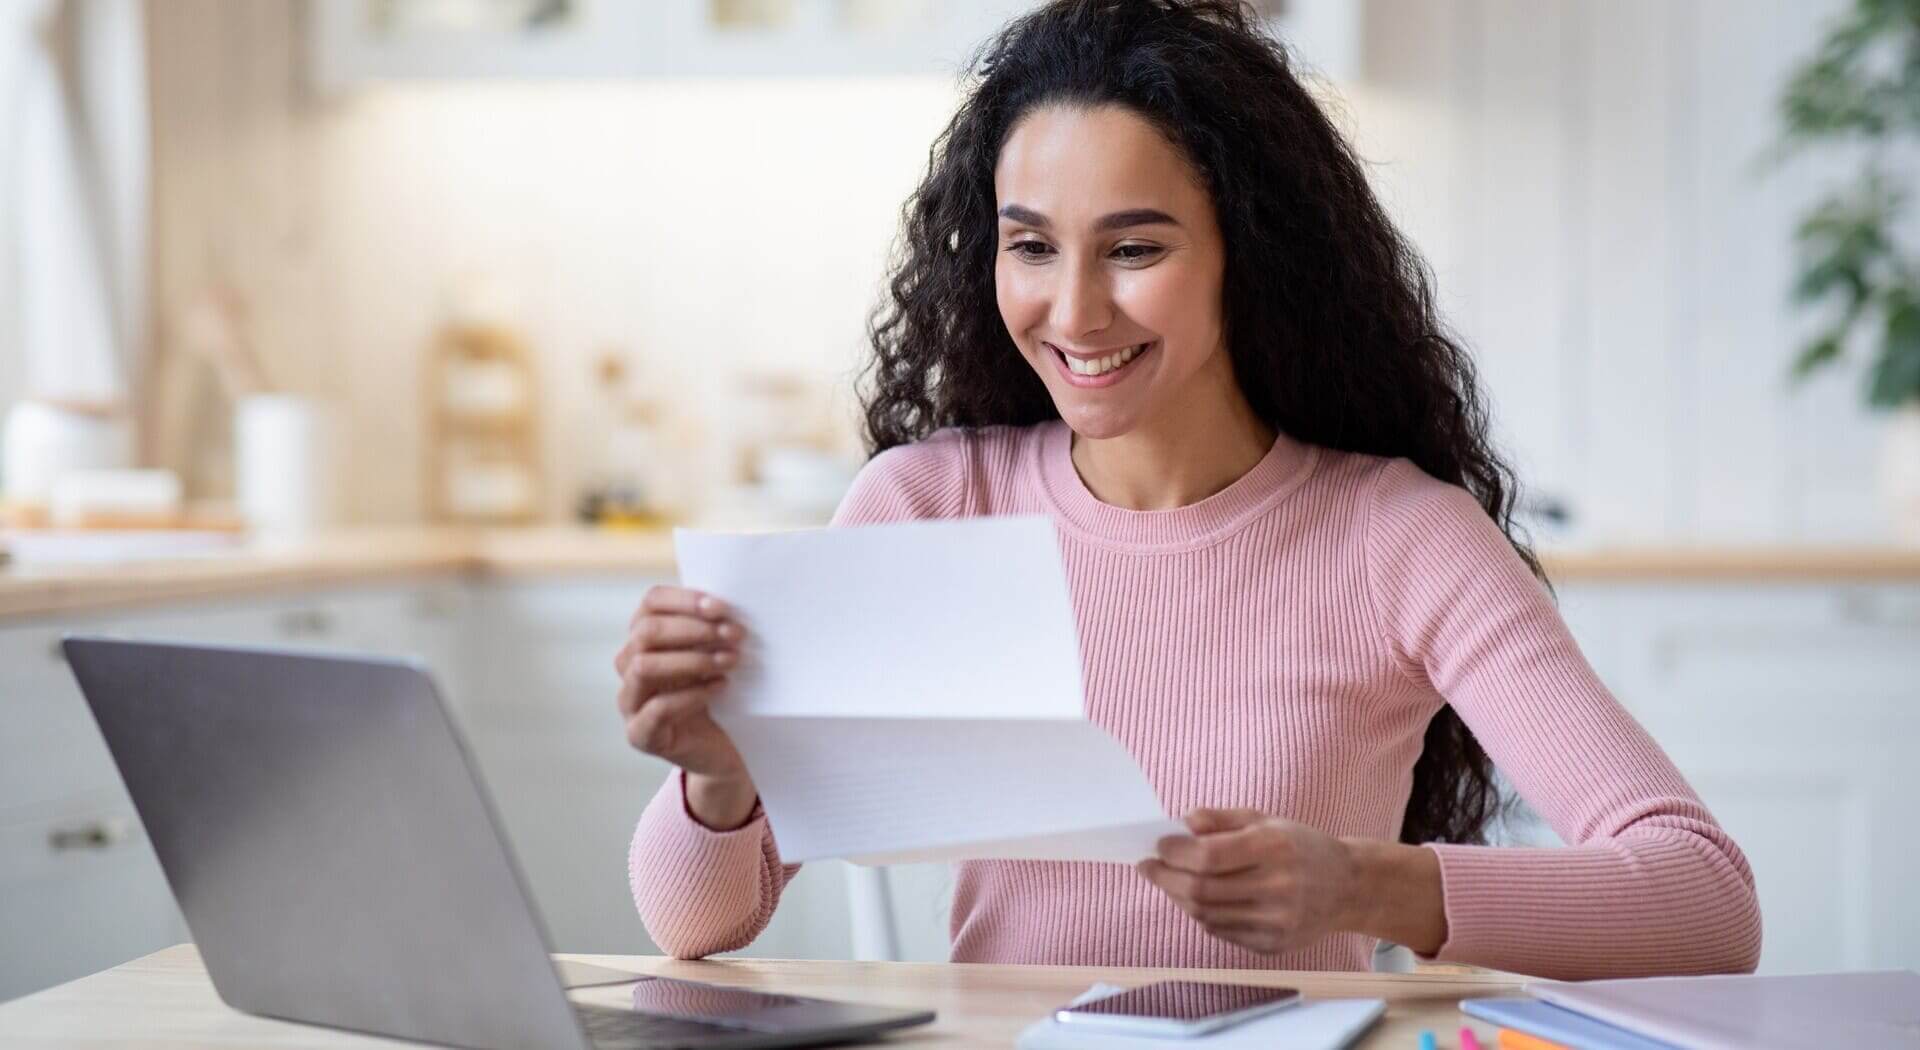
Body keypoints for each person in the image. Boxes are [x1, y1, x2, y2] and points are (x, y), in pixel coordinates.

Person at [613, 0, 1761, 980]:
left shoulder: (1400, 538)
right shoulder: (925, 506)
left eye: (1134, 248)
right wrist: (719, 777)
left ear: (1248, 257)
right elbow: (692, 923)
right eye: (1031, 247)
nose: (1073, 313)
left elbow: (1707, 901)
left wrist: (1363, 885)